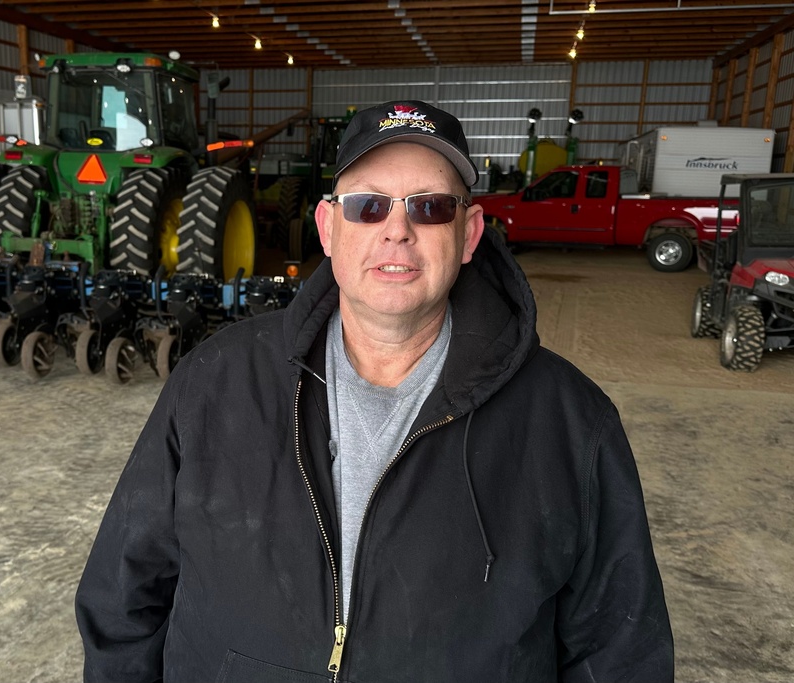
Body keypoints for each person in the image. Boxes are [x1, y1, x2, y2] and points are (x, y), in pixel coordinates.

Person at [75, 100, 674, 682]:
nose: (398, 231)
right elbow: (125, 594)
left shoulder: (571, 422)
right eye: (368, 206)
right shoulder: (214, 380)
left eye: (431, 207)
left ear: (469, 234)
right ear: (328, 228)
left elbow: (618, 649)